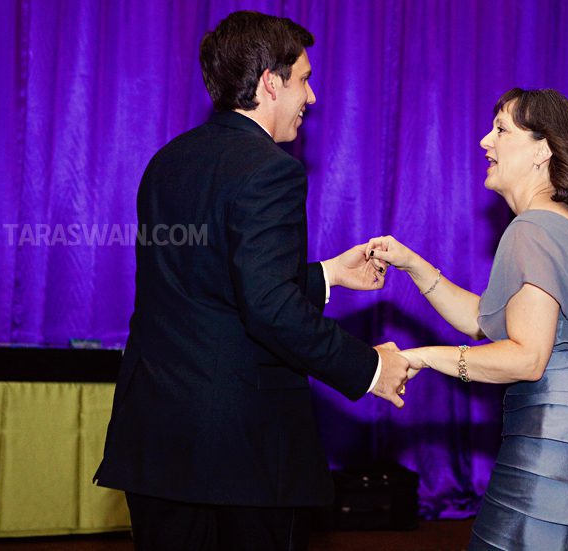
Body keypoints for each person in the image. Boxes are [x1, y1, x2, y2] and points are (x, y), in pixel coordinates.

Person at [94, 11, 410, 551]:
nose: (311, 97)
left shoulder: (167, 162)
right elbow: (269, 309)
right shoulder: (272, 169)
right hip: (240, 448)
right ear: (270, 83)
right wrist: (371, 369)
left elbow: (207, 285)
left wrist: (329, 275)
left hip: (156, 435)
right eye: (304, 79)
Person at [367, 88, 568, 550]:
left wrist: (422, 357)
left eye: (501, 130)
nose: (484, 141)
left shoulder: (531, 228)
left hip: (555, 445)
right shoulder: (561, 222)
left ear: (541, 150)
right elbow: (484, 319)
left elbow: (526, 358)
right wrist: (412, 264)